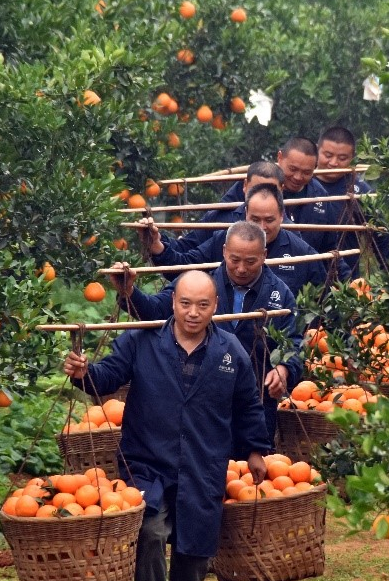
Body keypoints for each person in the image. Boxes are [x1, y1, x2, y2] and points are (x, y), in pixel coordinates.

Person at [62, 270, 269, 581]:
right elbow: (106, 377)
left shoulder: (229, 353)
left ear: (215, 307)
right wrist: (84, 373)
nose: (193, 313)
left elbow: (247, 406)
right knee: (151, 532)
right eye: (185, 303)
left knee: (194, 550)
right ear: (173, 303)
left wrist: (256, 449)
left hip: (204, 465)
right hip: (147, 462)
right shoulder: (142, 341)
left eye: (202, 305)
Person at [113, 220, 302, 439]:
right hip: (199, 407)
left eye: (250, 261)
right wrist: (129, 291)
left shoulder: (279, 294)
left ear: (264, 255)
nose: (241, 268)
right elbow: (155, 310)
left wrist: (285, 369)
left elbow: (294, 343)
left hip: (255, 406)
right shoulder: (203, 284)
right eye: (234, 260)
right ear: (224, 251)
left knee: (249, 470)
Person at [137, 184, 348, 297]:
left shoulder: (302, 253)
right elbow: (184, 267)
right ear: (245, 212)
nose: (262, 227)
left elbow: (321, 301)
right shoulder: (224, 239)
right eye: (255, 219)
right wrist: (157, 245)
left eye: (269, 220)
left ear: (282, 215)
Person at [220, 137, 334, 251]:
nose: (298, 177)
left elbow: (330, 245)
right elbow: (221, 216)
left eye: (307, 172)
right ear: (280, 157)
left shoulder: (319, 196)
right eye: (292, 169)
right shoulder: (256, 181)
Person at [316, 126, 389, 277]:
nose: (333, 163)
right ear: (317, 150)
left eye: (342, 158)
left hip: (345, 280)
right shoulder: (300, 181)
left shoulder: (360, 191)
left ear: (352, 158)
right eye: (328, 155)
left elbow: (382, 236)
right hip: (302, 274)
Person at [164, 160, 284, 253]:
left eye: (270, 191)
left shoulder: (290, 234)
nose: (262, 196)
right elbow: (186, 250)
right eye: (256, 189)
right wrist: (159, 243)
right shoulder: (218, 218)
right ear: (245, 186)